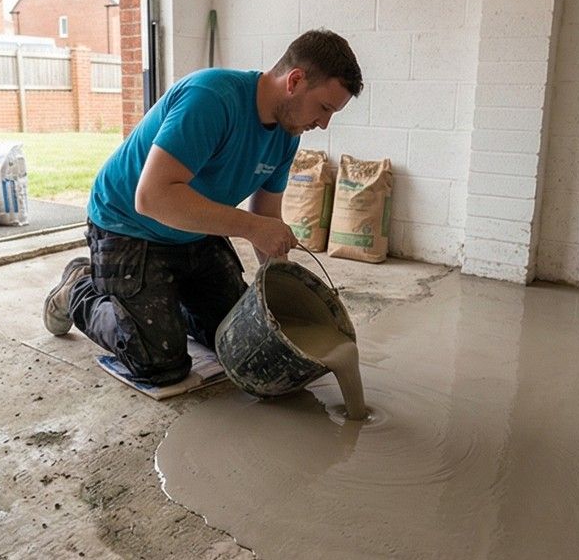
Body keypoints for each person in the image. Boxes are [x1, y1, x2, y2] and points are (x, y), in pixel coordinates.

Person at [43, 28, 363, 386]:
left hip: (192, 231)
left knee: (243, 340)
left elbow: (265, 217)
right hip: (128, 227)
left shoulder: (287, 135)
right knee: (160, 363)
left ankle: (163, 299)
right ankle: (79, 287)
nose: (323, 123)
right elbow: (151, 196)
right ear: (295, 81)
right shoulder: (211, 98)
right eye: (324, 108)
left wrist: (283, 287)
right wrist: (251, 227)